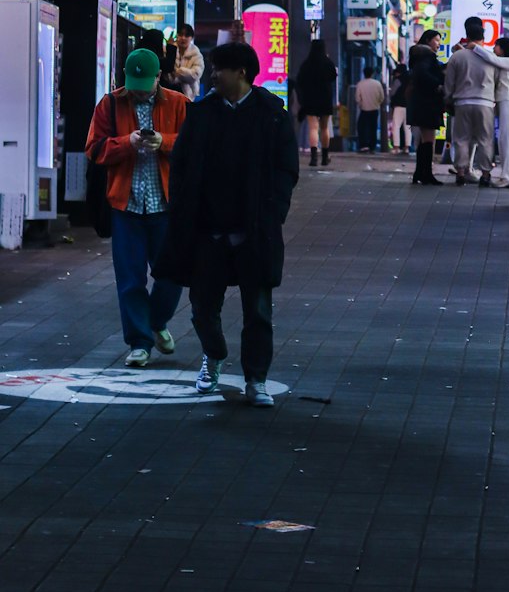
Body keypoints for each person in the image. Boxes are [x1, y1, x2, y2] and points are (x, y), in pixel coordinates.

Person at [159, 41, 299, 406]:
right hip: (207, 230)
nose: (213, 75)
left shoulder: (270, 114)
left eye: (220, 68)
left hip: (255, 229)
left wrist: (274, 212)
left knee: (258, 310)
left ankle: (257, 379)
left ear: (241, 72)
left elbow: (286, 169)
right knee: (203, 308)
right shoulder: (202, 113)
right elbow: (183, 166)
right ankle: (214, 354)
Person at [85, 48, 187, 368]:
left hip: (165, 206)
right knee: (129, 279)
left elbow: (196, 145)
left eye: (145, 82)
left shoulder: (179, 104)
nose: (138, 90)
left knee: (172, 274)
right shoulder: (110, 104)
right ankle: (140, 342)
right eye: (133, 83)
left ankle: (155, 321)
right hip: (125, 205)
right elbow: (94, 149)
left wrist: (165, 143)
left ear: (159, 77)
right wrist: (125, 143)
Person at [443, 17, 499, 186]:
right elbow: (497, 80)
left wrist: (448, 98)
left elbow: (449, 82)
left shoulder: (457, 56)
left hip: (462, 102)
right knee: (485, 139)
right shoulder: (490, 57)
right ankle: (486, 174)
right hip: (486, 102)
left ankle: (461, 172)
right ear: (484, 37)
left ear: (467, 37)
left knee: (461, 138)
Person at [474, 33, 509, 189]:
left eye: (496, 45)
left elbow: (491, 59)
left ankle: (508, 176)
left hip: (508, 101)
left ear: (503, 48)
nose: (494, 48)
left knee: (506, 139)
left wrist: (475, 47)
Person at [406, 35, 445, 185]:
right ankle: (426, 174)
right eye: (436, 39)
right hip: (428, 103)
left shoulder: (418, 56)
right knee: (428, 140)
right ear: (428, 41)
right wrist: (438, 84)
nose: (439, 43)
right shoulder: (427, 56)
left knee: (424, 140)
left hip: (420, 103)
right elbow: (423, 74)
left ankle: (419, 172)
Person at [294, 37, 337, 167]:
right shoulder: (328, 63)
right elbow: (333, 77)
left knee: (313, 127)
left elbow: (299, 81)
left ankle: (313, 159)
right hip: (325, 98)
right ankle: (324, 157)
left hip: (310, 99)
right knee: (324, 128)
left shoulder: (306, 64)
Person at [163, 24, 205, 102]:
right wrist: (185, 75)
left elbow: (196, 74)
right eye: (180, 35)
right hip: (168, 93)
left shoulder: (196, 53)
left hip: (188, 95)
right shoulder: (169, 51)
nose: (183, 38)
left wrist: (178, 71)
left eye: (186, 35)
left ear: (191, 38)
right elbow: (165, 74)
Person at [354, 66, 385, 153]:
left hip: (364, 109)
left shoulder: (360, 84)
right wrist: (377, 103)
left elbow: (357, 98)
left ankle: (363, 145)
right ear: (372, 74)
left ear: (364, 73)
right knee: (373, 128)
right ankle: (372, 146)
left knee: (362, 127)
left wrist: (361, 104)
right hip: (375, 109)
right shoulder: (377, 84)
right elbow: (382, 97)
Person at [388, 64, 411, 153]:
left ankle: (396, 147)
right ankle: (407, 147)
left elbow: (392, 93)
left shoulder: (398, 80)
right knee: (408, 127)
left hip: (399, 106)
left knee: (396, 126)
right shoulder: (411, 79)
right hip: (409, 106)